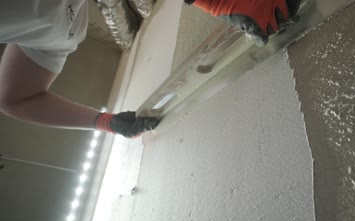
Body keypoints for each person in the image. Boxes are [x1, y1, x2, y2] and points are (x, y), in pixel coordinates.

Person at [0, 0, 300, 138]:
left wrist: (107, 121)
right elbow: (16, 99)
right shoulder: (62, 26)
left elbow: (15, 99)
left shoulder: (63, 24)